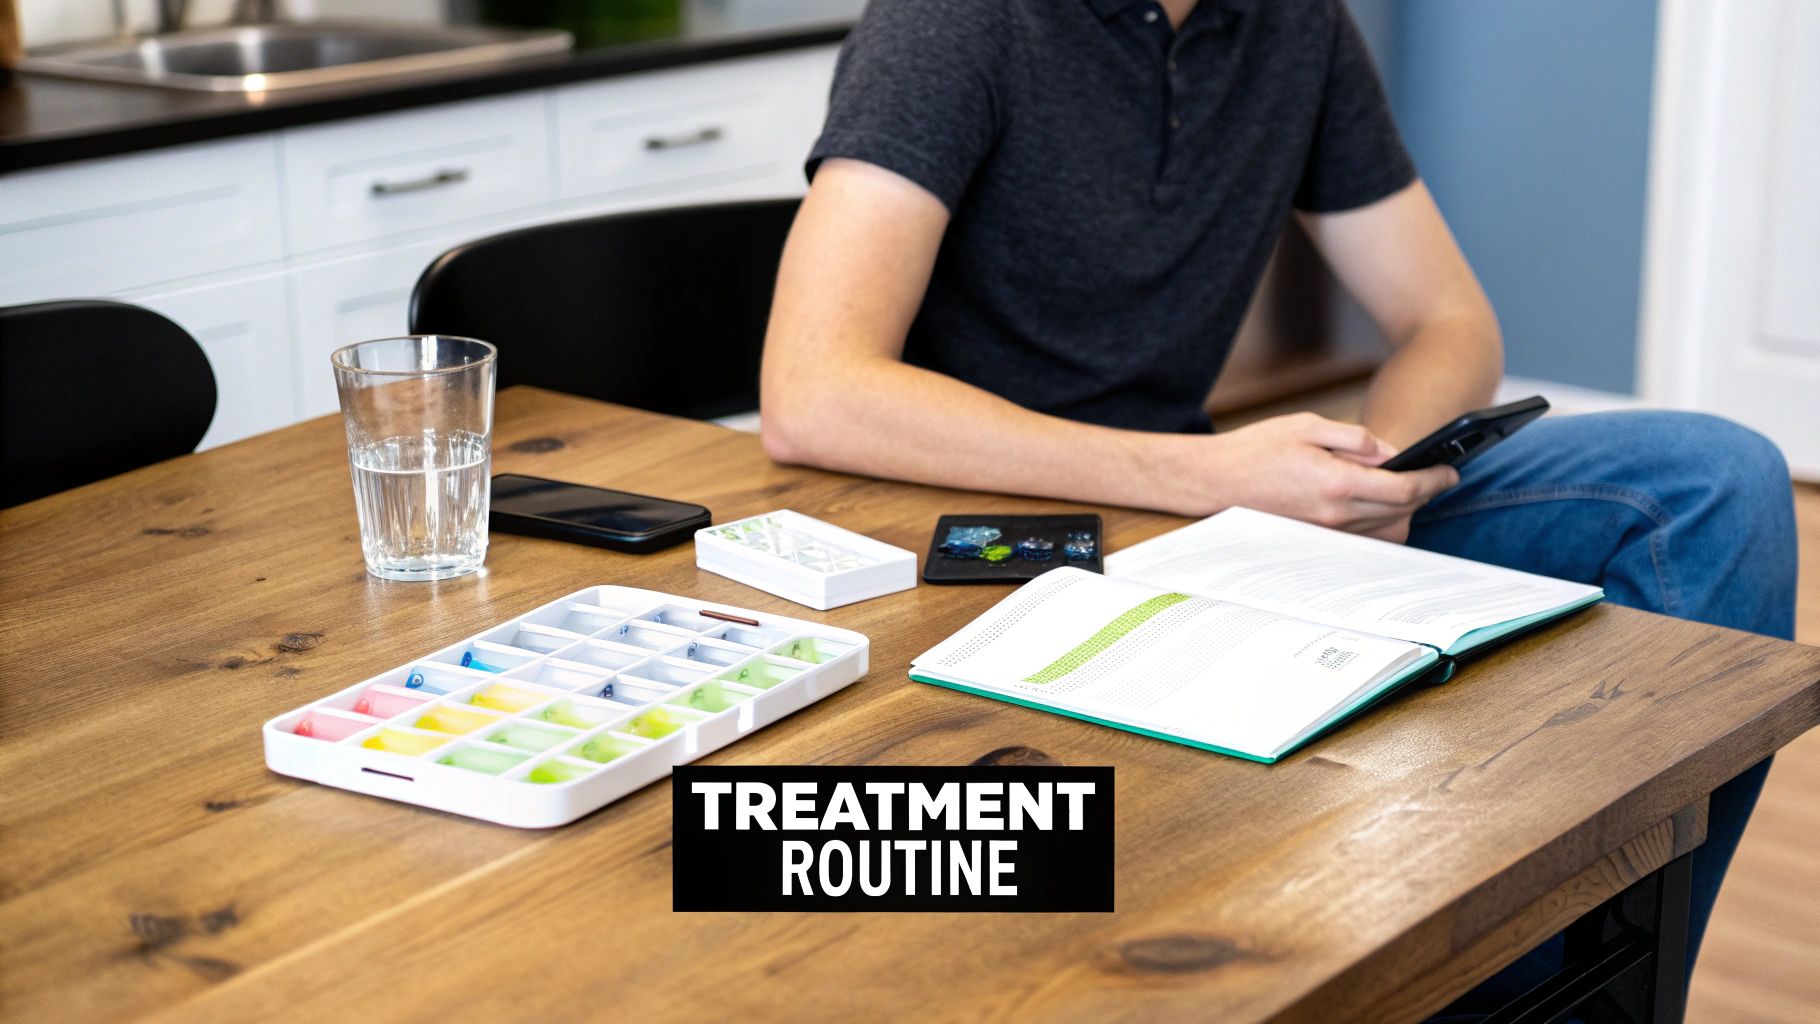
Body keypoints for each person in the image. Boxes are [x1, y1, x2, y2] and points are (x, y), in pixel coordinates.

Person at [757, 0, 1798, 1009]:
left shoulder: (1293, 25)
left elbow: (1445, 319)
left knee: (1711, 482)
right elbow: (812, 393)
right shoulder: (953, 23)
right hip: (1001, 531)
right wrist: (1207, 478)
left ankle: (1556, 992)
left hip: (1212, 512)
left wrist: (1375, 478)